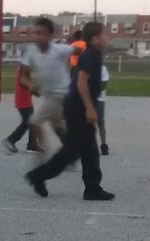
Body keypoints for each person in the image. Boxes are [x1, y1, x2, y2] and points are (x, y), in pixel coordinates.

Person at [25, 22, 115, 201]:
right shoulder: (90, 55)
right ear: (96, 38)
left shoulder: (93, 54)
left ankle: (92, 188)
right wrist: (90, 109)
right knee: (71, 151)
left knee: (89, 149)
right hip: (77, 108)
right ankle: (38, 176)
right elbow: (81, 82)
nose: (108, 38)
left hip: (76, 106)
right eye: (105, 35)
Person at [20, 17, 75, 152]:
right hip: (49, 95)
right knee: (58, 128)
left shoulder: (60, 50)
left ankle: (42, 158)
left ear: (51, 35)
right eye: (34, 33)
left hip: (63, 94)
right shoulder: (30, 52)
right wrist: (30, 84)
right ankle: (72, 153)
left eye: (41, 33)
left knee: (34, 121)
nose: (37, 37)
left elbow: (81, 52)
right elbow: (23, 76)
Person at [2, 66, 38, 153]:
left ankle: (32, 145)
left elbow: (25, 83)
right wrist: (32, 87)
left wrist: (33, 90)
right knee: (28, 122)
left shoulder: (23, 67)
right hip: (23, 100)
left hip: (24, 99)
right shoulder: (24, 67)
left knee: (31, 122)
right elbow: (22, 81)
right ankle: (11, 140)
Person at [97, 64, 110, 156]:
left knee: (100, 122)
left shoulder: (102, 68)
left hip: (99, 99)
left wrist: (93, 92)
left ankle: (103, 145)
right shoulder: (85, 66)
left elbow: (104, 83)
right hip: (86, 98)